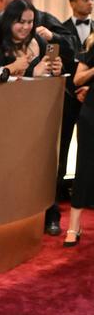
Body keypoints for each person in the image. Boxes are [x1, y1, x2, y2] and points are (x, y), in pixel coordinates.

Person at [64, 31, 94, 247]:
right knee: (84, 167)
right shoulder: (93, 47)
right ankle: (73, 226)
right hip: (91, 113)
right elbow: (77, 79)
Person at [0, 0, 62, 78]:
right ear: (9, 21)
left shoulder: (38, 39)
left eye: (30, 22)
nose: (26, 27)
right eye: (21, 22)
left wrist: (56, 70)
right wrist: (32, 73)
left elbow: (52, 72)